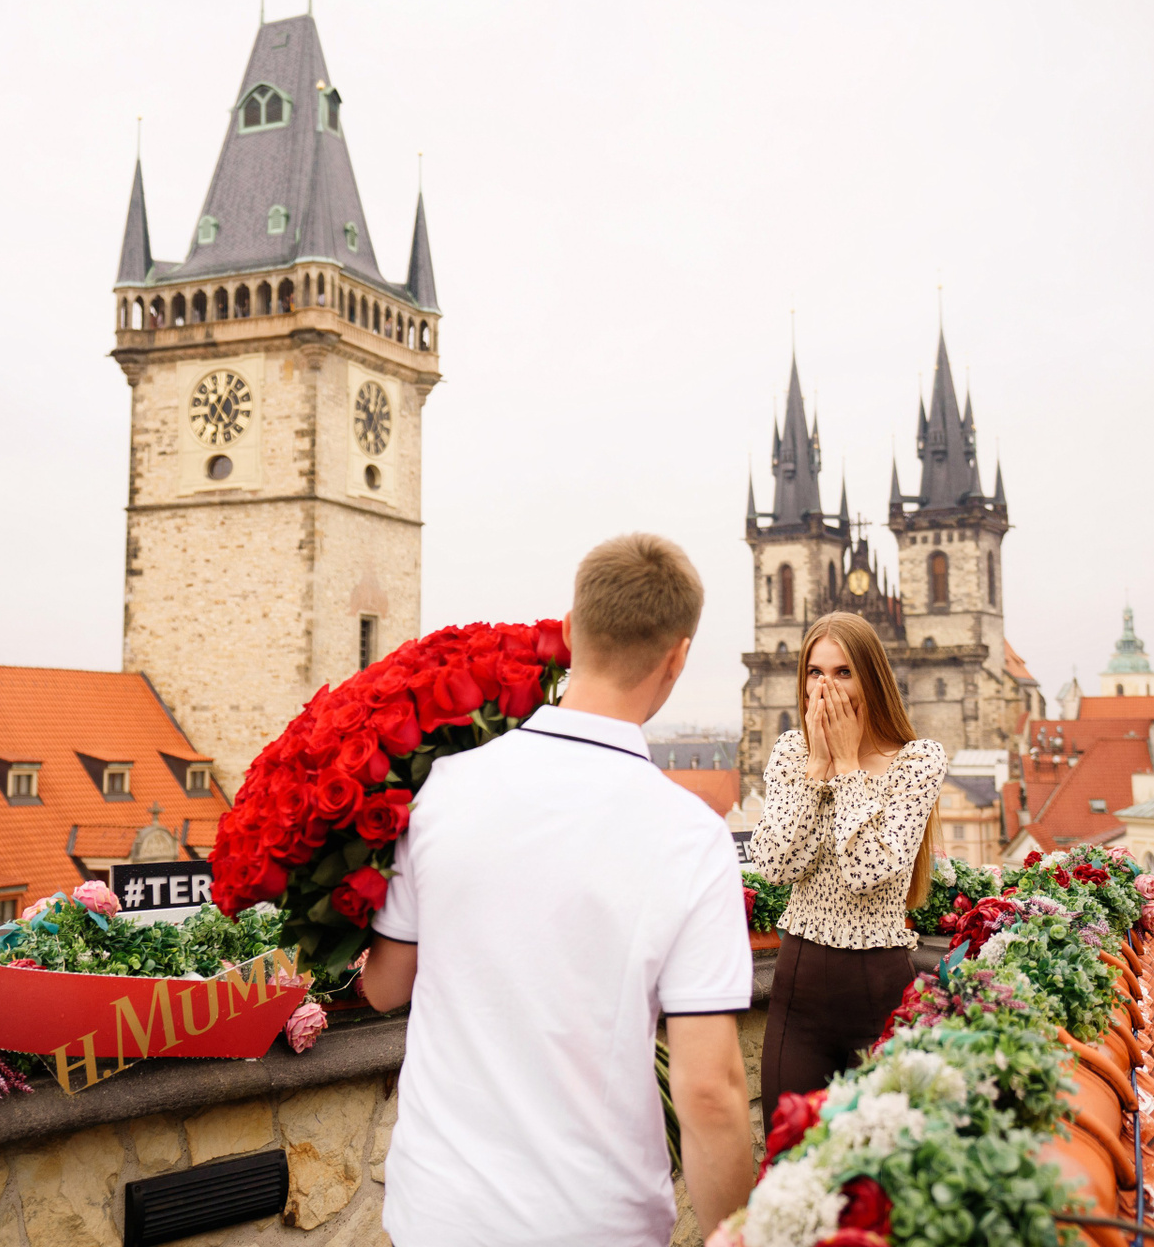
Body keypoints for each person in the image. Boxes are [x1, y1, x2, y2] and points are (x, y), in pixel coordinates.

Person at [363, 533, 754, 1247]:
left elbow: (385, 988)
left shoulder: (444, 789)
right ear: (678, 658)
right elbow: (708, 1091)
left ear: (570, 631)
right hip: (587, 1221)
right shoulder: (691, 839)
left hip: (437, 1210)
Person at [749, 611, 945, 1125]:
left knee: (880, 1157)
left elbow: (867, 871)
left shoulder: (917, 761)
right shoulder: (793, 752)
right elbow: (774, 864)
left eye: (843, 673)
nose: (827, 688)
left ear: (871, 678)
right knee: (788, 1148)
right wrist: (817, 768)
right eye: (815, 672)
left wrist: (848, 767)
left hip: (877, 989)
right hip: (798, 989)